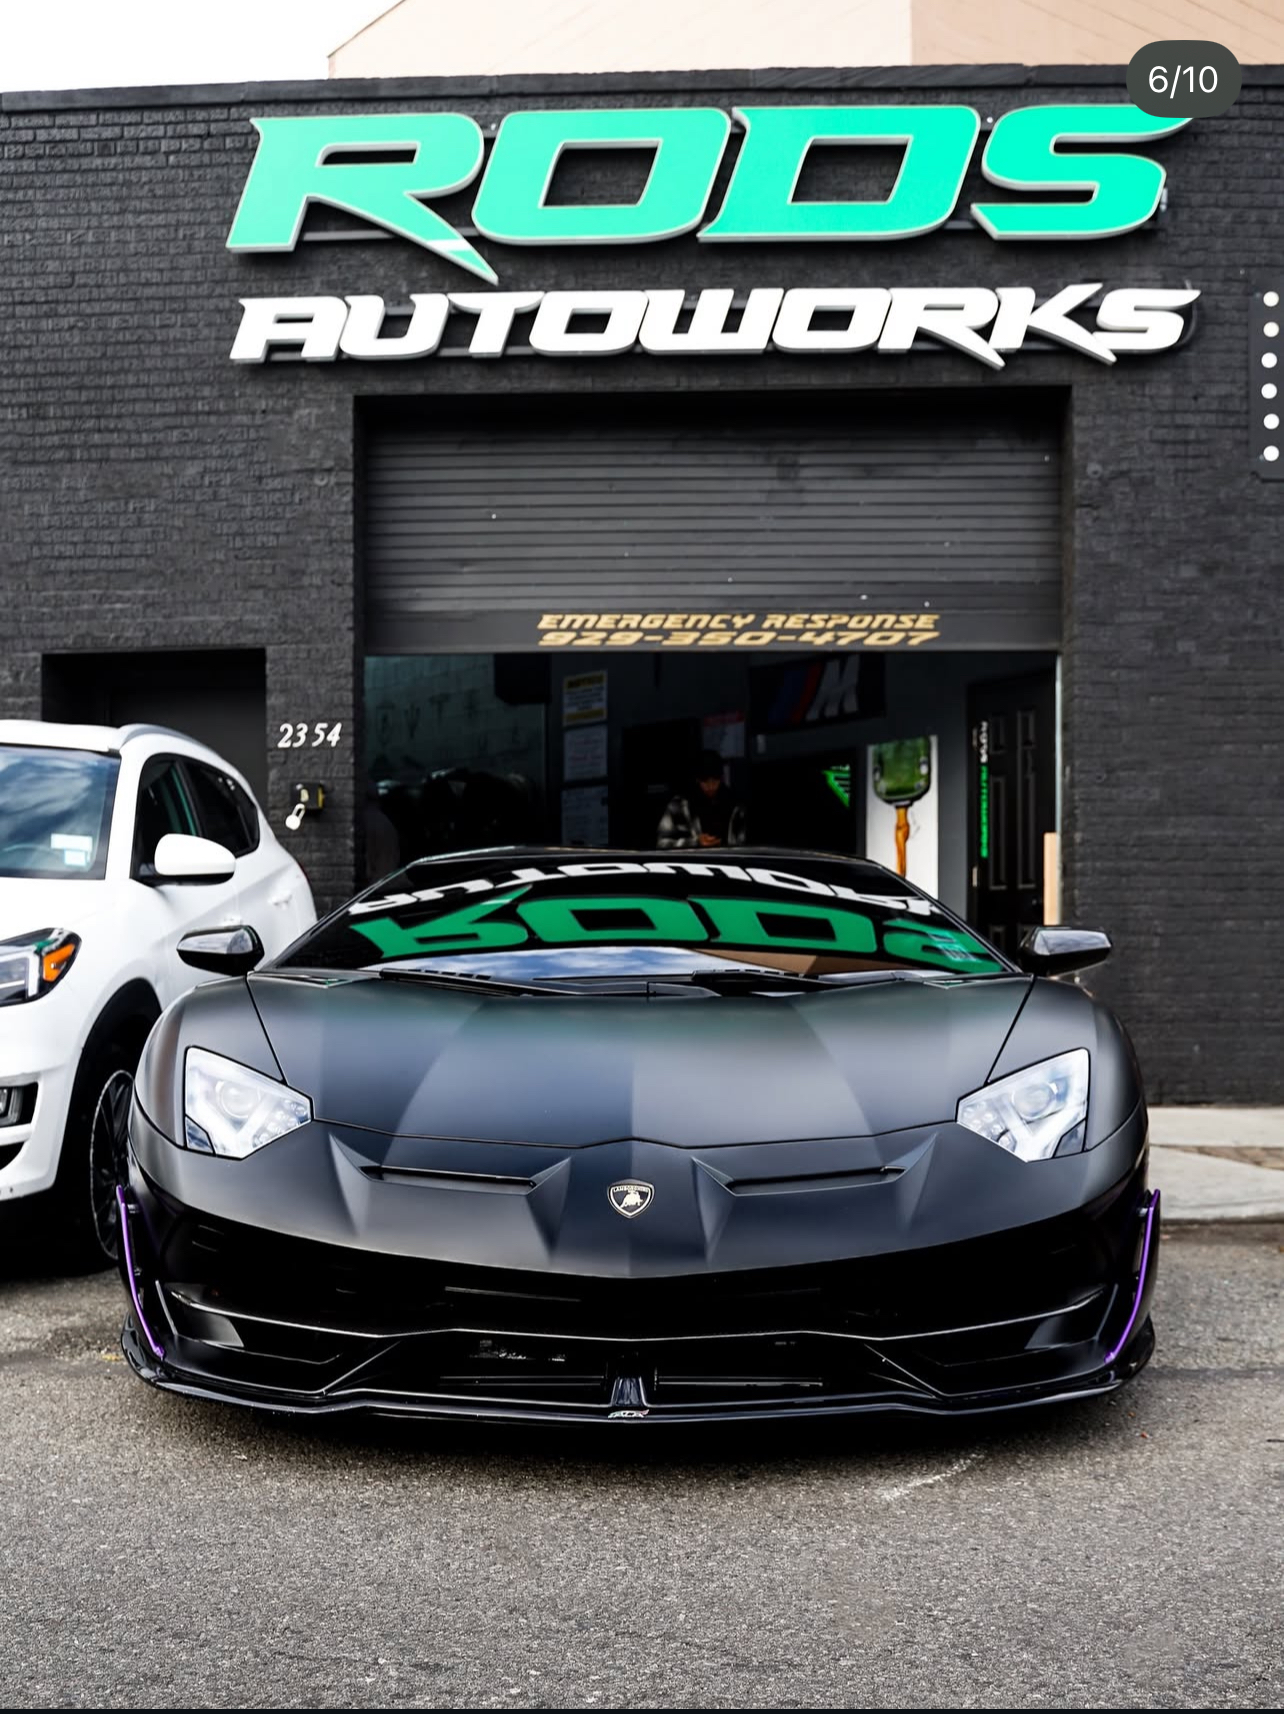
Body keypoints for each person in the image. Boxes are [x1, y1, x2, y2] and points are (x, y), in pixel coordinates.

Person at [656, 749, 746, 849]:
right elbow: (662, 844)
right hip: (693, 862)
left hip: (728, 860)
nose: (711, 786)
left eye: (715, 781)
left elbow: (746, 843)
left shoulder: (734, 804)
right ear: (698, 780)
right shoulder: (678, 806)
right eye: (706, 781)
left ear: (721, 779)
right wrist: (695, 842)